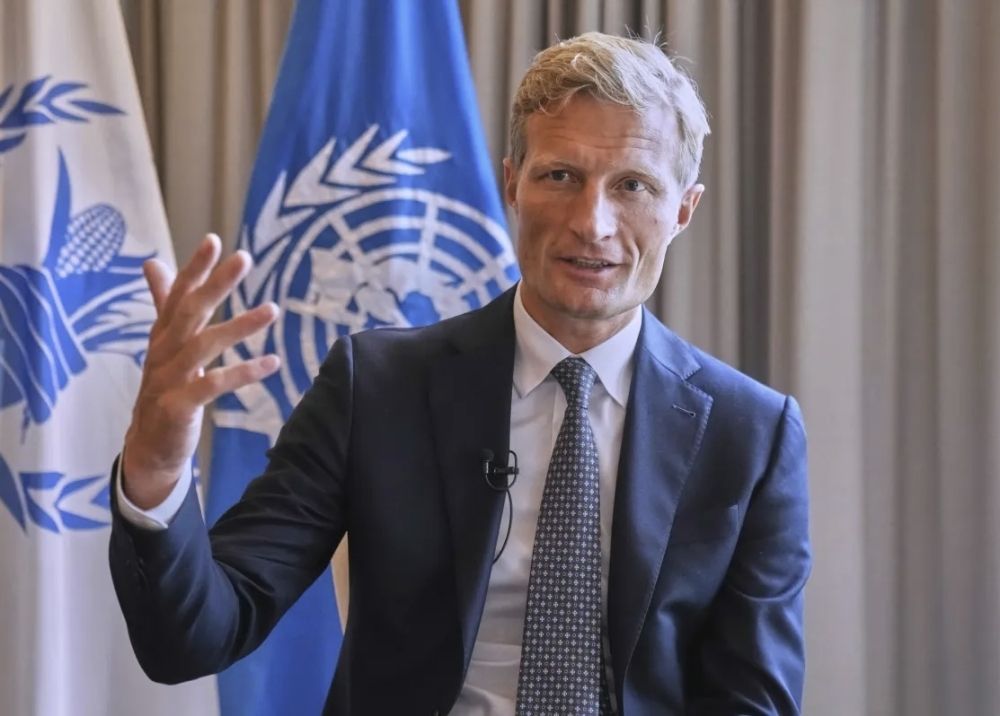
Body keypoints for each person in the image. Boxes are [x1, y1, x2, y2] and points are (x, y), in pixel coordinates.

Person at [109, 32, 810, 715]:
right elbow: (194, 637)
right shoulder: (375, 387)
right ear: (512, 184)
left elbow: (752, 700)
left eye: (632, 185)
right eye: (560, 176)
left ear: (683, 209)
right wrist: (157, 466)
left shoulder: (751, 434)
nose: (591, 222)